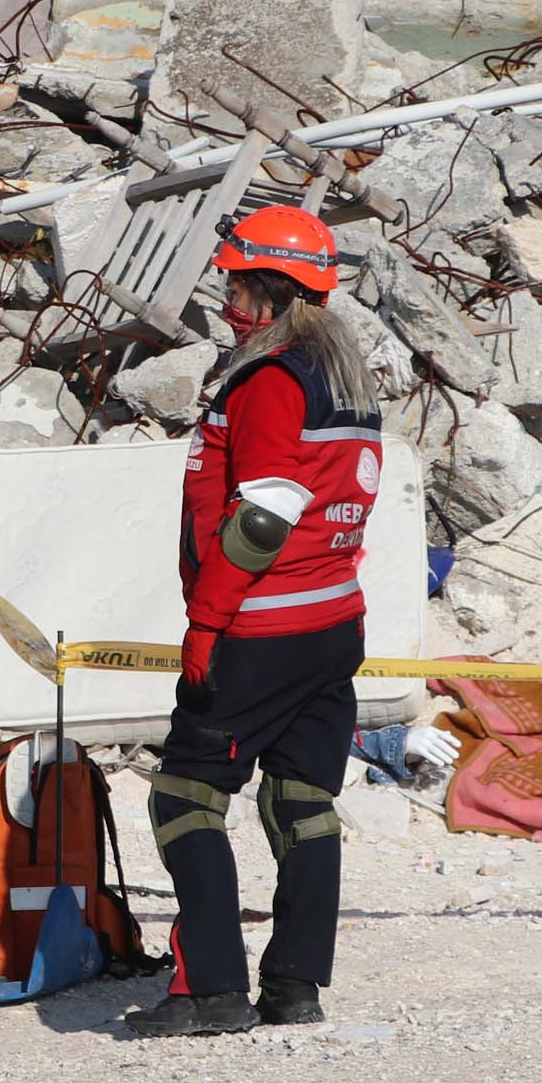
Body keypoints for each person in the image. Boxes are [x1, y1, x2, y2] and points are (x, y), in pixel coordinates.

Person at [125, 205, 379, 1037]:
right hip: (331, 621)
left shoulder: (272, 379)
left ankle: (210, 992)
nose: (227, 301)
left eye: (236, 285)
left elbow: (264, 515)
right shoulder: (341, 375)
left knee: (186, 797)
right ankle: (295, 986)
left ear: (270, 288)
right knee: (302, 798)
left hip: (261, 627)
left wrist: (207, 621)